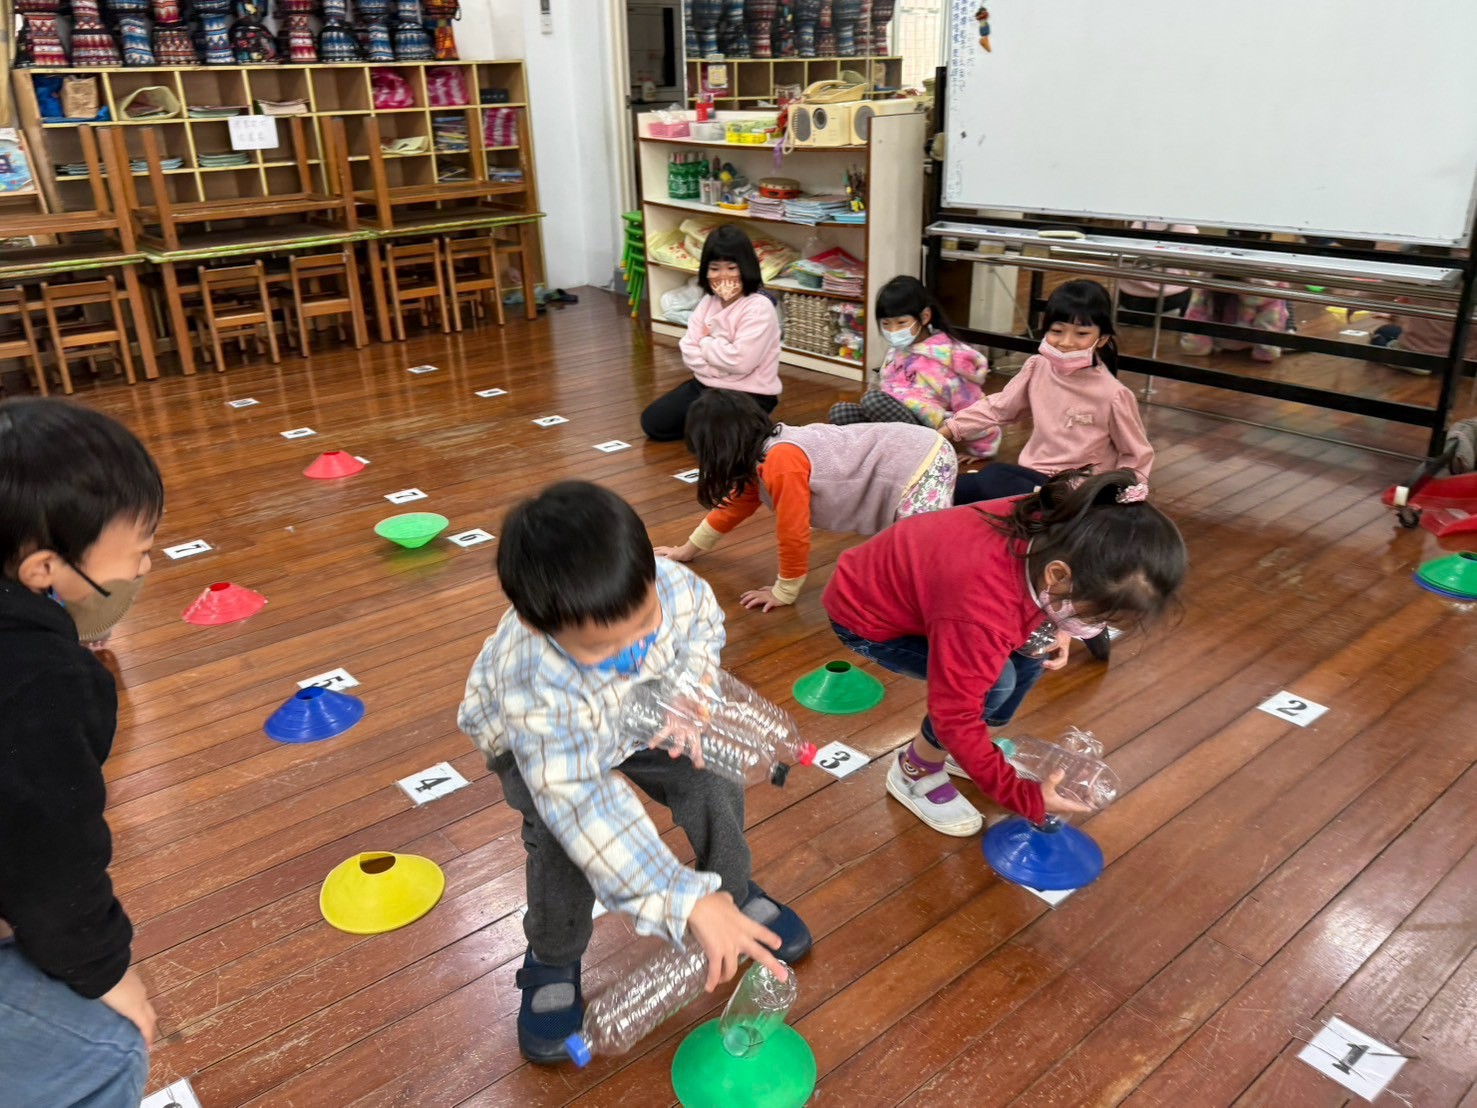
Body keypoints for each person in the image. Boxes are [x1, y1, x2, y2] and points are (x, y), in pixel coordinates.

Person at [458, 481, 811, 1064]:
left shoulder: (673, 585)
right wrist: (679, 899)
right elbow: (582, 806)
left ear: (650, 572)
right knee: (560, 843)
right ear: (537, 624)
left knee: (712, 778)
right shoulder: (535, 683)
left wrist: (691, 696)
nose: (632, 651)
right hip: (544, 748)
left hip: (645, 714)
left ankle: (731, 893)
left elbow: (701, 631)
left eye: (645, 623)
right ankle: (553, 953)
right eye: (603, 647)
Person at [821, 468, 1187, 836]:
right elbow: (955, 713)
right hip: (868, 616)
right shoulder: (981, 606)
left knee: (1032, 652)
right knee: (994, 685)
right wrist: (1021, 796)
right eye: (1097, 617)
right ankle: (914, 770)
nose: (1096, 628)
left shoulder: (1069, 521)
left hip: (936, 599)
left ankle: (964, 752)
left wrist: (1062, 623)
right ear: (1058, 577)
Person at [0, 397, 163, 1105]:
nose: (147, 564)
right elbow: (49, 861)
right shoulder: (41, 680)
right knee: (108, 1051)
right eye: (139, 548)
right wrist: (106, 972)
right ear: (44, 569)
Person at [656, 389, 956, 612]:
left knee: (919, 548)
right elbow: (734, 506)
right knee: (906, 548)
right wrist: (687, 550)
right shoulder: (759, 455)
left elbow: (793, 530)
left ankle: (948, 602)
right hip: (907, 450)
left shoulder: (781, 462)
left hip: (923, 456)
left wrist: (784, 591)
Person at [946, 279, 1155, 504]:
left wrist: (1121, 499)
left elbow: (1137, 454)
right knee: (977, 480)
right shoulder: (1037, 367)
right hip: (1034, 478)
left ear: (1102, 339)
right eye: (1057, 331)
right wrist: (947, 431)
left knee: (993, 482)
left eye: (1081, 333)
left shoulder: (1113, 394)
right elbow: (999, 408)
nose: (1066, 342)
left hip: (1076, 492)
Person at [827, 275, 999, 458]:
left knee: (872, 401)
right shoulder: (897, 352)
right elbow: (884, 389)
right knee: (840, 412)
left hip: (929, 431)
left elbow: (971, 405)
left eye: (901, 323)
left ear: (924, 317)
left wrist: (981, 449)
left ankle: (906, 453)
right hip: (893, 422)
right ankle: (880, 453)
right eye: (886, 324)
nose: (893, 331)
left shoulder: (951, 357)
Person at [640, 224, 782, 443]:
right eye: (714, 269)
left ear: (746, 267)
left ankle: (739, 425)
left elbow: (740, 362)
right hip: (705, 385)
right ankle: (712, 426)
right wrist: (716, 370)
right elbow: (688, 347)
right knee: (653, 422)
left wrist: (706, 343)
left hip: (749, 393)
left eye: (732, 268)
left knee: (715, 439)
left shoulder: (759, 307)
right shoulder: (708, 301)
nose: (723, 276)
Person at [1117, 222, 1200, 316]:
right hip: (1170, 294)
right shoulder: (1185, 226)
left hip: (1130, 292)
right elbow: (1195, 260)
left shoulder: (1138, 222)